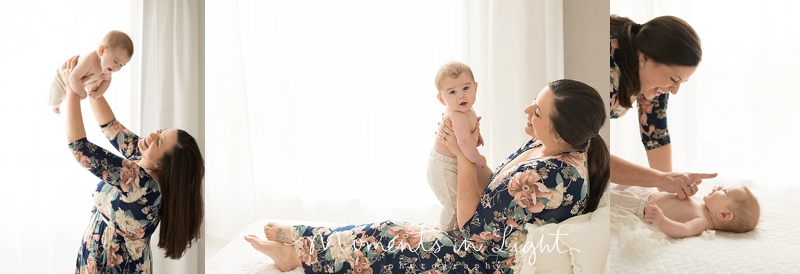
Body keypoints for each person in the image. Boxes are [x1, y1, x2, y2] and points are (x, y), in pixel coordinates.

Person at [244, 79, 610, 273]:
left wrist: (460, 151)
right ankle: (304, 239)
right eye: (535, 99)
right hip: (480, 241)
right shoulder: (547, 145)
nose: (527, 109)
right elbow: (495, 184)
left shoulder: (550, 178)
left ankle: (298, 256)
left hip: (481, 261)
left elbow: (469, 225)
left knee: (385, 240)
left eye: (539, 111)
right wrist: (470, 149)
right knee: (385, 229)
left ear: (562, 132)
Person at [60, 56, 204, 273]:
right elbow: (110, 126)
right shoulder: (143, 156)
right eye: (162, 130)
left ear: (165, 166)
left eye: (160, 141)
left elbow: (80, 149)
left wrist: (72, 87)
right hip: (97, 258)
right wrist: (90, 84)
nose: (154, 134)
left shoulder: (143, 185)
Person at [609, 15, 717, 199]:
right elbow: (587, 154)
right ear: (644, 57)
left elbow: (656, 134)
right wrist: (660, 179)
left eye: (681, 82)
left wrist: (670, 186)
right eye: (674, 79)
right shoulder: (607, 73)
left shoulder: (652, 79)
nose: (674, 91)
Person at [427, 61, 487, 232]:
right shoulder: (457, 115)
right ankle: (443, 232)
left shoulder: (467, 111)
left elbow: (468, 134)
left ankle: (455, 227)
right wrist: (478, 158)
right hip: (442, 166)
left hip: (450, 162)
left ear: (475, 87)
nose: (461, 96)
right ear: (441, 98)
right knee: (452, 203)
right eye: (452, 92)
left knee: (460, 199)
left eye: (466, 88)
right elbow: (463, 142)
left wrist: (477, 136)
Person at [611, 185, 760, 238]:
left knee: (608, 198)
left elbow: (683, 230)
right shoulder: (704, 204)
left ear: (724, 215)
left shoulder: (702, 221)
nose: (719, 187)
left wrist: (662, 220)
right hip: (646, 192)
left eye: (725, 191)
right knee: (621, 180)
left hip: (638, 205)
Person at [48, 30, 133, 114]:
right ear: (102, 50)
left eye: (121, 65)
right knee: (55, 100)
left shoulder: (108, 68)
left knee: (70, 101)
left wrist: (98, 93)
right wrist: (82, 94)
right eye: (115, 61)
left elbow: (107, 81)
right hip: (60, 81)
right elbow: (73, 78)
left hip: (76, 85)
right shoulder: (89, 60)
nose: (117, 68)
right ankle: (54, 106)